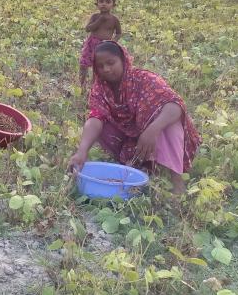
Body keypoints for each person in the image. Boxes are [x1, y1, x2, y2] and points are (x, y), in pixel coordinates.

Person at [68, 41, 201, 194]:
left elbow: (175, 106)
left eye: (111, 63)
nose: (106, 69)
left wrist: (152, 130)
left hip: (154, 133)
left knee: (171, 122)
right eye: (100, 66)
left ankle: (177, 182)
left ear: (123, 60)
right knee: (100, 124)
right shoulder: (100, 88)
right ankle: (138, 165)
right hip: (130, 139)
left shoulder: (143, 79)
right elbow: (95, 117)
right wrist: (82, 150)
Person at [80, 0, 122, 90]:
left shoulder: (114, 20)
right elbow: (88, 29)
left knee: (98, 68)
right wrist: (99, 21)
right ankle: (82, 86)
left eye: (108, 2)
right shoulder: (95, 17)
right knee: (83, 65)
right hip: (91, 44)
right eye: (101, 1)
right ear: (97, 4)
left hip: (104, 47)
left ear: (113, 5)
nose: (104, 4)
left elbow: (119, 33)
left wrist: (113, 42)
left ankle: (94, 88)